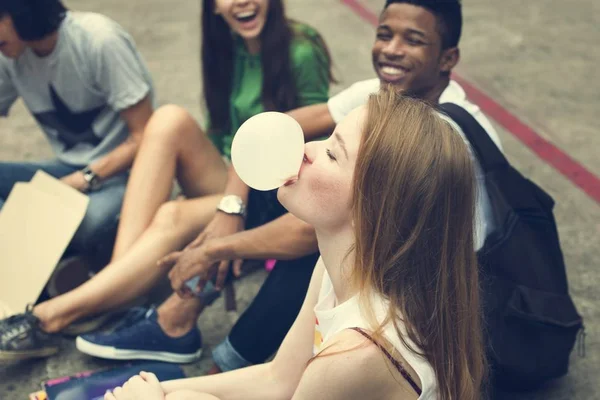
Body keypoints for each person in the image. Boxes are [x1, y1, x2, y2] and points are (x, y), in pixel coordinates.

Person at [98, 0, 501, 374]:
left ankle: (224, 364)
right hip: (393, 255)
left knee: (321, 241)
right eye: (384, 34)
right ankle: (172, 322)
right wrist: (230, 210)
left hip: (445, 293)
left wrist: (215, 249)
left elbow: (328, 228)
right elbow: (268, 131)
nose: (392, 50)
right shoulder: (381, 95)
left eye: (413, 40)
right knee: (288, 188)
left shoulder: (446, 134)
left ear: (448, 58)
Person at [0, 0, 333, 361]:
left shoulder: (300, 48)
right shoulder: (225, 42)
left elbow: (313, 142)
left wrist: (230, 207)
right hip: (235, 176)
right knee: (169, 119)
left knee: (169, 217)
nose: (240, 1)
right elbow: (222, 131)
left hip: (275, 190)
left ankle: (49, 316)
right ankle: (113, 286)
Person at [107, 88, 488, 400]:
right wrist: (155, 388)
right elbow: (279, 380)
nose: (307, 147)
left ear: (371, 211)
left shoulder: (359, 353)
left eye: (332, 153)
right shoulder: (336, 267)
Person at [0, 1, 154, 256]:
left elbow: (147, 135)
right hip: (67, 169)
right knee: (50, 219)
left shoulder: (98, 39)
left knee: (87, 223)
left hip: (125, 173)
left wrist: (82, 180)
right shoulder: (10, 53)